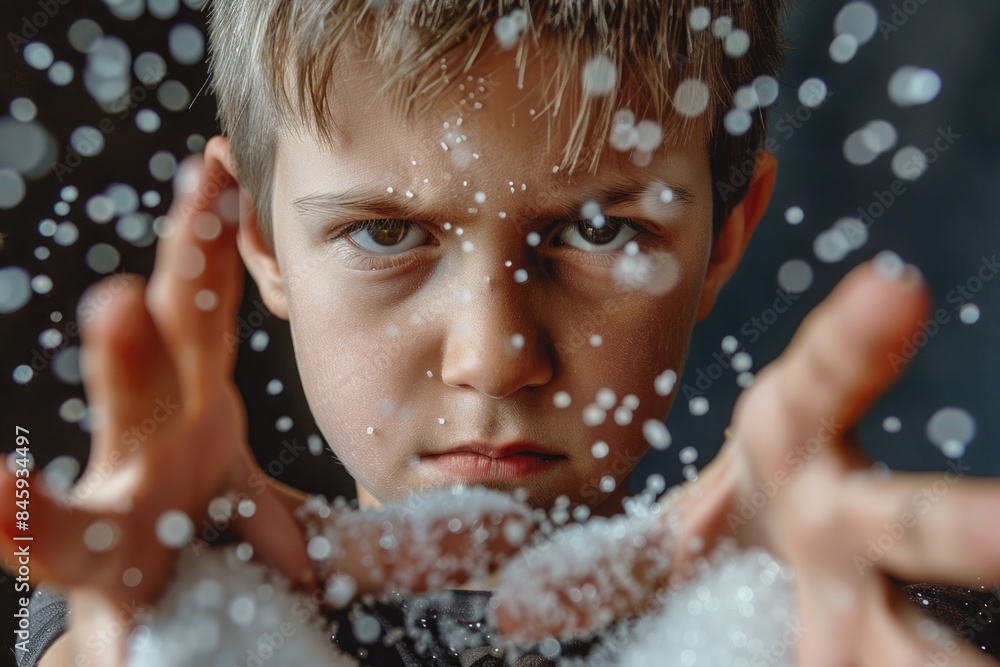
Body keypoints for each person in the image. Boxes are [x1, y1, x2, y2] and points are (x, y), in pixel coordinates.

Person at [3, 0, 999, 665]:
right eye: (387, 232)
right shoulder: (150, 608)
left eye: (601, 230)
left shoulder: (850, 621)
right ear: (256, 238)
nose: (493, 353)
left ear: (723, 235)